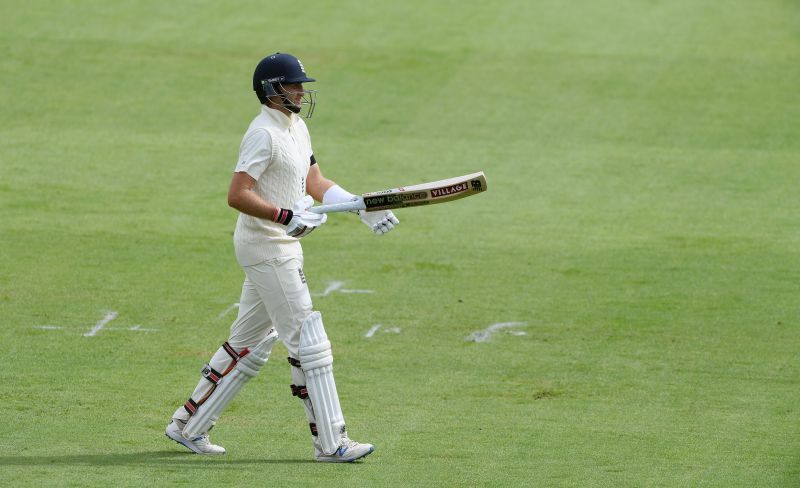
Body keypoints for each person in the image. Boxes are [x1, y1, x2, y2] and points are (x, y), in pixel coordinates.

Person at [164, 52, 399, 462]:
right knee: (309, 341)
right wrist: (284, 216)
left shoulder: (297, 127)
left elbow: (315, 181)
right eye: (294, 85)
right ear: (272, 90)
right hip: (267, 248)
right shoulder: (262, 134)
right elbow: (238, 194)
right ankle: (332, 442)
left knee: (250, 343)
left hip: (280, 246)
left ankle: (188, 425)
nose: (301, 92)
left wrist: (360, 206)